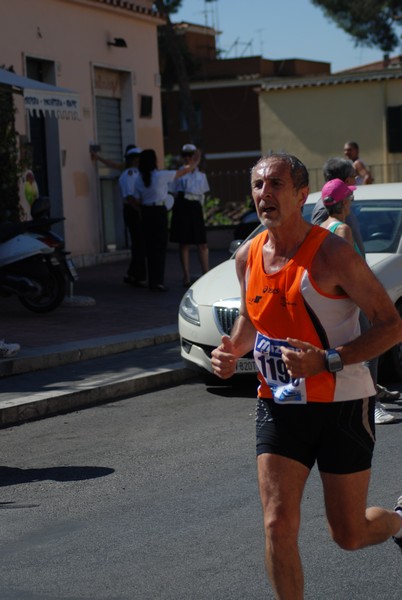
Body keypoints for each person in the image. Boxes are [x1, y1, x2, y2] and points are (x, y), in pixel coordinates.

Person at [211, 152, 402, 600]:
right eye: (258, 185)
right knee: (277, 524)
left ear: (302, 195)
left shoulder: (333, 254)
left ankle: (398, 521)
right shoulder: (248, 256)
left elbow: (391, 325)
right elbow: (252, 321)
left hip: (341, 405)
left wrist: (328, 361)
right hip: (279, 405)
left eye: (276, 185)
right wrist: (229, 353)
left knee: (348, 533)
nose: (264, 194)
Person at [312, 157, 400, 422]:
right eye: (352, 176)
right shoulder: (329, 216)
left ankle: (371, 388)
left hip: (355, 286)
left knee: (370, 341)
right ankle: (370, 402)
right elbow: (326, 251)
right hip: (350, 291)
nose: (356, 181)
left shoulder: (341, 207)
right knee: (371, 342)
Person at [133, 149, 196, 292]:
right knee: (160, 247)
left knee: (149, 248)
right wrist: (193, 163)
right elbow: (183, 172)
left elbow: (136, 199)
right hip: (159, 211)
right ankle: (158, 282)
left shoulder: (139, 179)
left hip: (146, 212)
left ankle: (151, 281)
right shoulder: (161, 175)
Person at [170, 144, 210, 286]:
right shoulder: (179, 173)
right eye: (185, 155)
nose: (187, 158)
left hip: (195, 206)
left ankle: (206, 273)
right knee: (184, 243)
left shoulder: (201, 175)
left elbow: (202, 194)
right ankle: (186, 276)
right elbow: (173, 191)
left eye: (190, 155)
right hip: (183, 205)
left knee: (202, 243)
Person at [118, 147, 147, 287]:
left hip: (137, 209)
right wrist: (140, 210)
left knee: (139, 243)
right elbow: (130, 197)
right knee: (139, 243)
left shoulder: (138, 173)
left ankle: (132, 273)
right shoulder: (129, 174)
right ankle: (139, 275)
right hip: (133, 210)